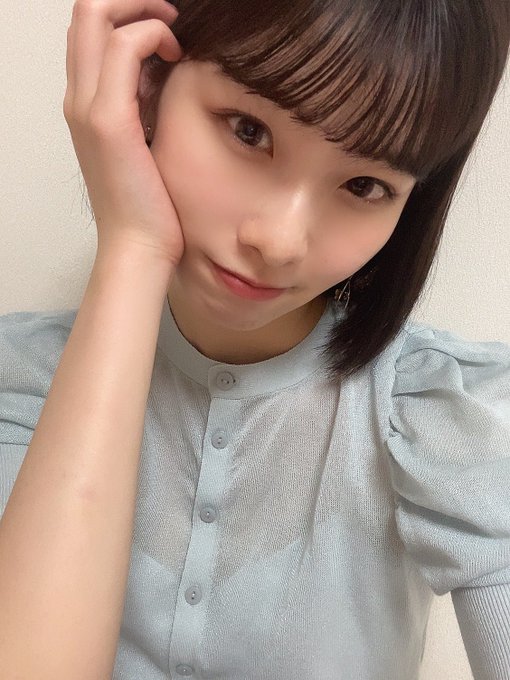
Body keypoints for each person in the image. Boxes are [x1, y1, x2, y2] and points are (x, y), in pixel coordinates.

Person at [0, 0, 509, 678]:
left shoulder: (448, 415)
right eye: (248, 130)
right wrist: (133, 245)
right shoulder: (23, 382)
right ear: (147, 82)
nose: (279, 241)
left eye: (365, 185)